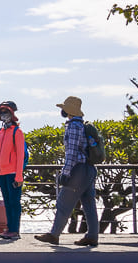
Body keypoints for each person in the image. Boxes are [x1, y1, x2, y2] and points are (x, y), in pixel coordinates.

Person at [35, 96, 99, 247]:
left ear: (68, 111)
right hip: (89, 169)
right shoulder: (83, 126)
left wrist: (66, 173)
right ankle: (92, 236)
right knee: (89, 203)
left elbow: (72, 153)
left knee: (64, 202)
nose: (62, 111)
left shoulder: (73, 126)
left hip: (79, 169)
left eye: (64, 109)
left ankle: (54, 234)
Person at [0, 101, 26, 240]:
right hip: (1, 173)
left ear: (12, 114)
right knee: (7, 202)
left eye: (5, 112)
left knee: (14, 202)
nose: (3, 115)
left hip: (12, 173)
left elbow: (20, 156)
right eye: (1, 112)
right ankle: (9, 228)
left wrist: (19, 176)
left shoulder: (17, 132)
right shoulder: (0, 132)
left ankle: (14, 230)